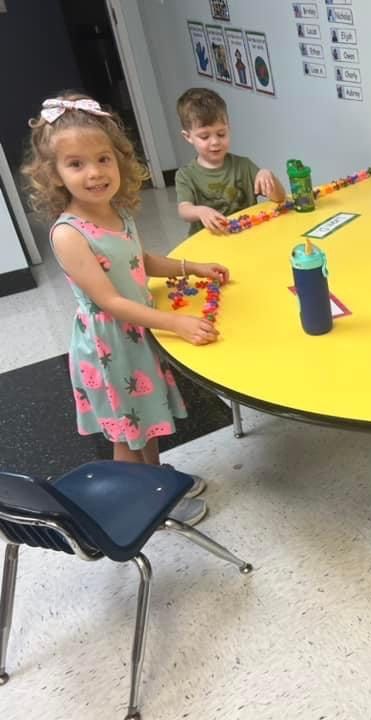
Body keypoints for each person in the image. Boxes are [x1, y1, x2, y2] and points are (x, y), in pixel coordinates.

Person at [20, 93, 231, 525]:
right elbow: (110, 301)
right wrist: (175, 322)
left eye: (103, 159)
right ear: (54, 175)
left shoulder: (116, 212)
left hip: (134, 334)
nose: (95, 173)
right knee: (127, 430)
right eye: (76, 164)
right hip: (110, 344)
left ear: (119, 161)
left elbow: (140, 258)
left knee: (144, 418)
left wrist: (192, 267)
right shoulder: (69, 233)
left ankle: (154, 479)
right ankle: (145, 503)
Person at [174, 88, 285, 236]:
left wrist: (268, 176)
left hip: (246, 236)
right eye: (204, 137)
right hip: (210, 240)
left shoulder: (244, 165)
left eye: (221, 134)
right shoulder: (186, 175)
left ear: (229, 129)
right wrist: (199, 211)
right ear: (188, 137)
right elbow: (184, 209)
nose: (215, 142)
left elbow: (279, 198)